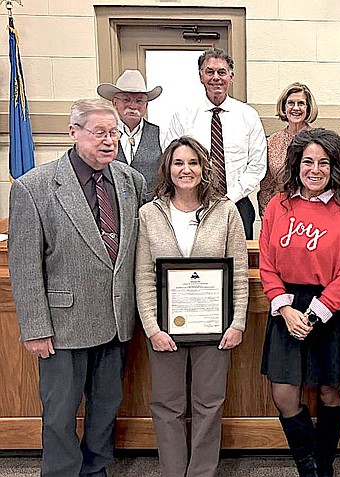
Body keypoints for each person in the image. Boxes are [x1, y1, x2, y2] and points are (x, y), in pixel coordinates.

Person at [8, 99, 146, 477]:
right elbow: (23, 265)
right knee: (59, 413)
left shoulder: (130, 181)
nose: (108, 141)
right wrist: (35, 328)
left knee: (105, 407)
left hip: (116, 321)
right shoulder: (34, 187)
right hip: (63, 326)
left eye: (114, 133)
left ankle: (97, 469)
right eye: (99, 132)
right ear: (73, 132)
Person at [135, 136, 249, 477]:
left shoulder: (225, 210)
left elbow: (239, 272)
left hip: (215, 326)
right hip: (165, 328)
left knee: (209, 404)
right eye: (178, 163)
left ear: (204, 167)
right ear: (168, 169)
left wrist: (238, 322)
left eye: (193, 163)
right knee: (166, 404)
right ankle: (172, 471)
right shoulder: (149, 214)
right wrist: (152, 328)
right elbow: (143, 276)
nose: (186, 170)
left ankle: (201, 472)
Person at [259, 128, 340, 477]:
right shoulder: (278, 205)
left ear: (334, 168)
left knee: (330, 391)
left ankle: (325, 463)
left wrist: (314, 315)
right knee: (284, 393)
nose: (314, 169)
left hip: (327, 310)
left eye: (323, 163)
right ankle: (308, 466)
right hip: (286, 306)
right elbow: (267, 264)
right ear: (296, 164)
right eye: (307, 162)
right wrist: (286, 310)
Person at [165, 47, 267, 239]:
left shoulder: (248, 116)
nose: (216, 77)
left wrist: (228, 198)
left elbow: (257, 165)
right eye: (209, 72)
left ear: (231, 76)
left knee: (237, 263)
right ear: (201, 76)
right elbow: (171, 161)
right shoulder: (183, 115)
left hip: (237, 204)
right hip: (192, 204)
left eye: (222, 72)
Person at [97, 69, 163, 202]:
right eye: (126, 99)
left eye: (139, 101)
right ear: (115, 102)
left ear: (146, 105)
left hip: (150, 211)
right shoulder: (102, 135)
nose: (133, 106)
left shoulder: (161, 134)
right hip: (112, 209)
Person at [258, 82, 318, 216]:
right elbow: (266, 187)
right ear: (284, 107)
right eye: (291, 103)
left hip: (313, 211)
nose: (295, 108)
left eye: (301, 103)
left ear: (308, 108)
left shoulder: (319, 141)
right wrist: (267, 216)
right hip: (280, 211)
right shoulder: (272, 142)